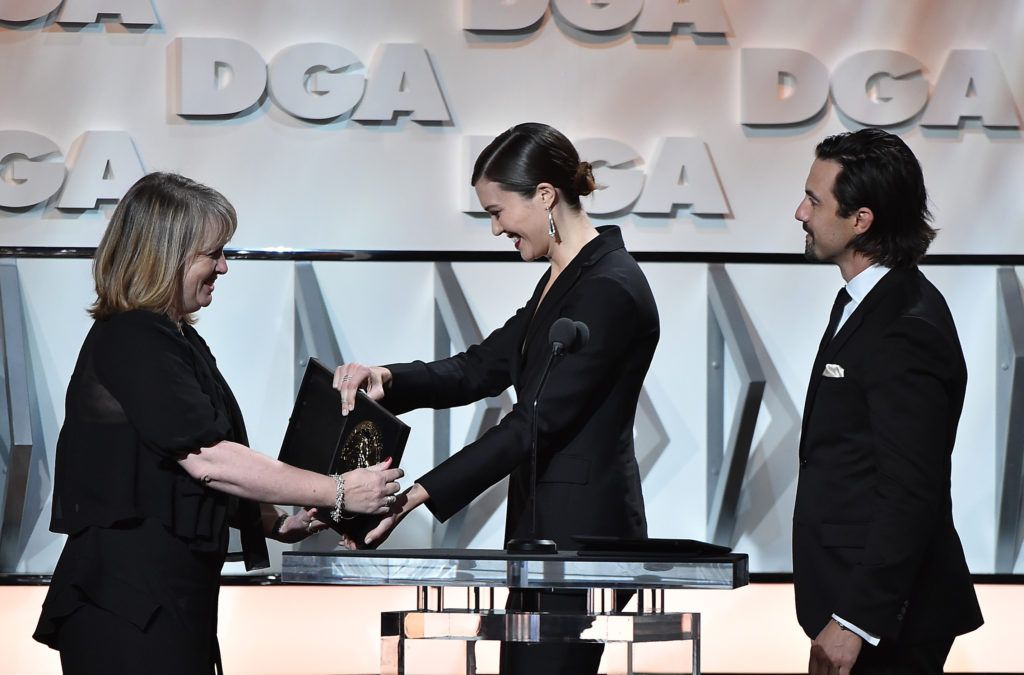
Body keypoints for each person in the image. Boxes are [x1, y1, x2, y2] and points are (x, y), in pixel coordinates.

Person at [32, 172, 403, 675]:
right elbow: (207, 457)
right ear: (168, 255)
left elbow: (177, 466)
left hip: (161, 600)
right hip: (126, 606)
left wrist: (275, 520)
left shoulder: (172, 339)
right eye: (214, 252)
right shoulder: (134, 337)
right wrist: (336, 491)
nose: (224, 267)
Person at [335, 122, 659, 674]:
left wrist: (415, 496)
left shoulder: (608, 288)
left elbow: (532, 423)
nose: (494, 229)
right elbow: (480, 368)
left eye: (496, 211)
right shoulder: (566, 279)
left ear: (545, 195)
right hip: (544, 540)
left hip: (581, 541)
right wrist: (389, 380)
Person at [792, 128, 983, 675]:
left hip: (889, 621)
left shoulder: (906, 326)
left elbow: (910, 489)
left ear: (861, 220)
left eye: (814, 199)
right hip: (861, 604)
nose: (799, 212)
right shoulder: (864, 302)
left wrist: (856, 620)